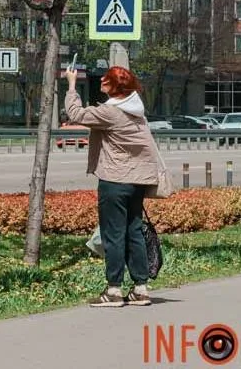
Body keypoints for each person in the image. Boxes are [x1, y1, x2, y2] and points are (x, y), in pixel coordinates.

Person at [65, 66, 161, 308]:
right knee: (134, 232)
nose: (102, 82)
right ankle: (140, 289)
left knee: (113, 235)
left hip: (115, 181)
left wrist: (71, 84)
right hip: (137, 182)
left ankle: (114, 290)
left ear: (114, 87)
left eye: (105, 80)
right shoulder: (137, 111)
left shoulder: (110, 113)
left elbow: (75, 113)